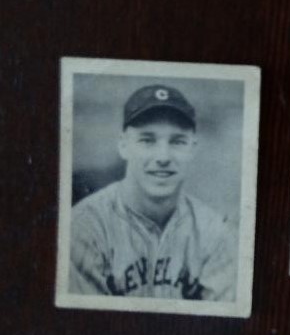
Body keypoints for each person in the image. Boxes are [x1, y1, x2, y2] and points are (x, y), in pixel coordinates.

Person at [69, 85, 237, 301]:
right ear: (123, 146)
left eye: (177, 142)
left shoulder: (215, 233)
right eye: (147, 140)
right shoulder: (85, 229)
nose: (163, 156)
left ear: (192, 148)